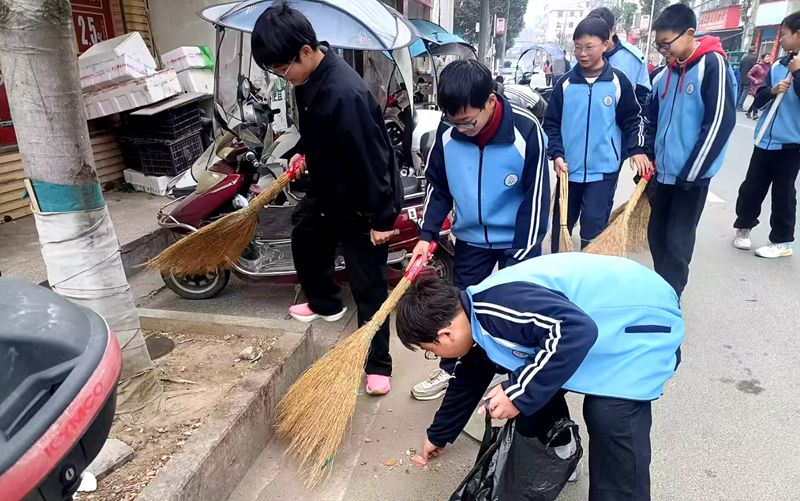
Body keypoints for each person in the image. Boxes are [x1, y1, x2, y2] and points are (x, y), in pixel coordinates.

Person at [396, 253, 684, 500]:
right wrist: (439, 435)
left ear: (445, 334)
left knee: (607, 413)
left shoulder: (496, 308)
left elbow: (576, 330)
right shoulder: (477, 318)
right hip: (604, 323)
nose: (437, 356)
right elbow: (470, 377)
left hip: (644, 319)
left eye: (430, 350)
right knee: (528, 386)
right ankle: (563, 450)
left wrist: (517, 392)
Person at [251, 3, 402, 395]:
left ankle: (378, 365)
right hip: (330, 188)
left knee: (369, 288)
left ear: (305, 51)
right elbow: (318, 132)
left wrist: (382, 220)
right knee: (305, 234)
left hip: (364, 200)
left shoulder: (345, 94)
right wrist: (303, 152)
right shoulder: (307, 80)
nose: (281, 76)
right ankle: (325, 302)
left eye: (281, 68)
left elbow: (373, 161)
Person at [409, 59, 549, 401]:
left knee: (517, 310)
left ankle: (519, 377)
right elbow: (438, 186)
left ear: (490, 101)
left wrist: (522, 257)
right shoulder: (448, 131)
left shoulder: (526, 129)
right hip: (471, 239)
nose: (462, 129)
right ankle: (452, 371)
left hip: (517, 241)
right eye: (454, 122)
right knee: (459, 309)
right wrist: (427, 236)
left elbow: (536, 199)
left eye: (469, 121)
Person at [646, 3, 736, 297]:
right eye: (658, 45)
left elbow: (719, 123)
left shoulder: (712, 65)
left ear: (689, 33)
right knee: (657, 235)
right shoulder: (664, 74)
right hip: (663, 174)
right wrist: (649, 158)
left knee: (677, 242)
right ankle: (661, 289)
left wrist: (692, 172)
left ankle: (671, 299)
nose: (663, 51)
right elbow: (651, 119)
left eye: (666, 44)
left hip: (691, 178)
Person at [543, 17, 650, 251]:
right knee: (561, 224)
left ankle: (589, 265)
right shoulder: (565, 84)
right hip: (568, 170)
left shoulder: (618, 82)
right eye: (577, 47)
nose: (582, 53)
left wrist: (637, 149)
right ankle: (560, 265)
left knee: (593, 227)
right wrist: (557, 154)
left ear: (605, 44)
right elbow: (550, 124)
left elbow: (633, 119)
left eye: (589, 47)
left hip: (603, 171)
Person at [733, 11, 800, 259]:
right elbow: (758, 99)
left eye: (784, 34)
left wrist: (798, 73)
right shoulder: (778, 66)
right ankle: (744, 227)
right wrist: (772, 90)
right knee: (752, 187)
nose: (780, 40)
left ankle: (782, 241)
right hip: (765, 139)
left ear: (798, 35)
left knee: (783, 193)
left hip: (792, 143)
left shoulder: (795, 68)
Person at [588, 7, 652, 107]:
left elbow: (643, 96)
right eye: (591, 34)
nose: (596, 40)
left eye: (601, 34)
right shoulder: (583, 55)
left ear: (613, 30)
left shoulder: (634, 58)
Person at [745, 53, 773, 119]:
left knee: (756, 99)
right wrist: (755, 80)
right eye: (766, 57)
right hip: (757, 86)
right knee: (757, 98)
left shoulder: (770, 67)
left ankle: (748, 112)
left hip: (765, 85)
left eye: (769, 57)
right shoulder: (757, 66)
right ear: (762, 58)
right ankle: (755, 114)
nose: (768, 58)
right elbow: (749, 74)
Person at [737, 47, 758, 111]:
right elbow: (754, 68)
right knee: (745, 92)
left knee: (740, 91)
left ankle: (736, 104)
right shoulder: (754, 58)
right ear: (754, 51)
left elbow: (740, 67)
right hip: (748, 77)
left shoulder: (744, 57)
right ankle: (740, 106)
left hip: (742, 76)